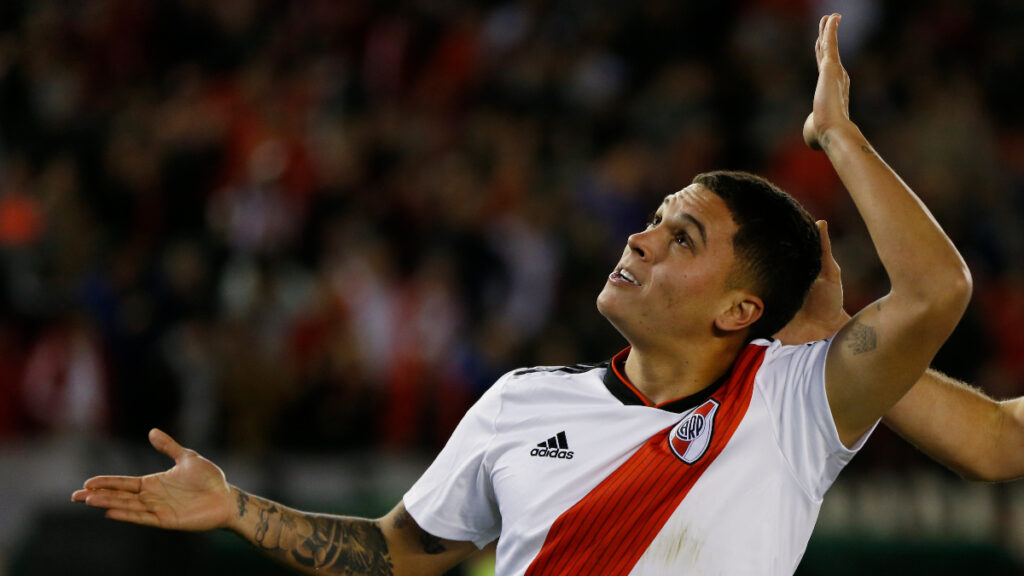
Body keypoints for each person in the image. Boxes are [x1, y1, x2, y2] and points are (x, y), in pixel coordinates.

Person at [72, 14, 996, 575]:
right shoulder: (521, 403)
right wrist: (240, 509)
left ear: (740, 311)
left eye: (683, 239)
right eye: (654, 218)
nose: (639, 237)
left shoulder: (794, 401)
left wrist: (835, 135)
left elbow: (934, 291)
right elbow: (403, 549)